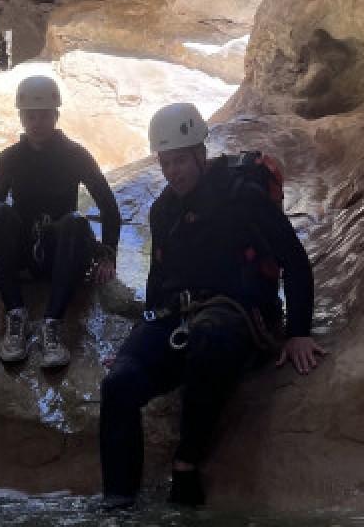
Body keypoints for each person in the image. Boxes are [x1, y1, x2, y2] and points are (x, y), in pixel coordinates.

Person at [98, 103, 327, 509]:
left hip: (238, 316)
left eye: (181, 160)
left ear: (201, 153)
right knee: (119, 382)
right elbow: (158, 286)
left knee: (209, 336)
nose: (174, 172)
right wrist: (139, 339)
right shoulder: (163, 209)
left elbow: (293, 259)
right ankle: (118, 505)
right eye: (166, 163)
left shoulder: (241, 196)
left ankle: (186, 465)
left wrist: (298, 333)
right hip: (180, 319)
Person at [0, 75, 122, 369]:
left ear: (56, 116)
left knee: (76, 222)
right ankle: (17, 316)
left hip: (63, 250)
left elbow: (108, 206)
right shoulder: (9, 158)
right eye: (30, 116)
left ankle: (52, 325)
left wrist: (108, 255)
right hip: (25, 254)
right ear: (21, 118)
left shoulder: (76, 155)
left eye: (44, 116)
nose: (37, 123)